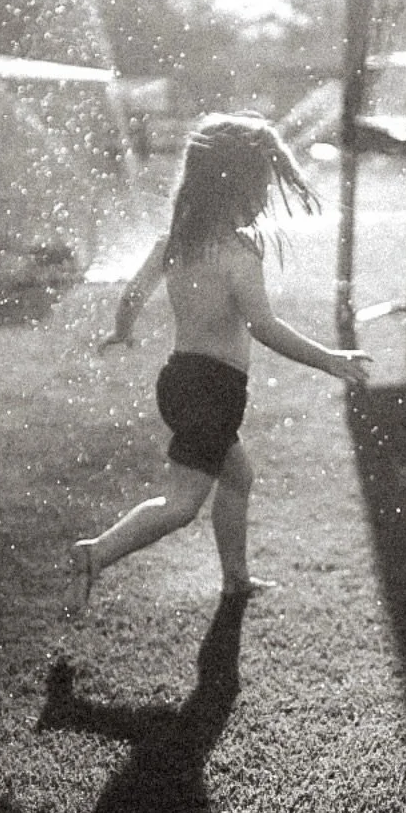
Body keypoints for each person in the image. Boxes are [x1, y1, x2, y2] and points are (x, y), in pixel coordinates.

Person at [68, 111, 370, 611]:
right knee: (182, 504)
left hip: (179, 379)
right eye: (261, 187)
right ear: (234, 188)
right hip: (214, 390)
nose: (265, 198)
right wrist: (329, 359)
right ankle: (96, 553)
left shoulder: (173, 244)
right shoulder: (238, 253)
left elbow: (132, 297)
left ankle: (235, 580)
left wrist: (122, 334)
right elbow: (263, 326)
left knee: (238, 476)